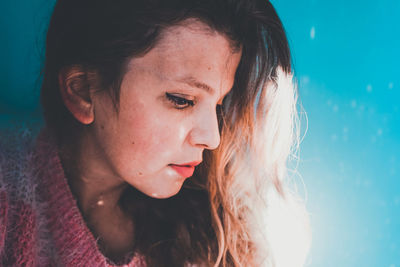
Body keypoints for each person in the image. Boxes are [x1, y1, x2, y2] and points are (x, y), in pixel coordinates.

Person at [0, 0, 311, 266]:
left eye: (218, 105)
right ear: (83, 91)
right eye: (181, 100)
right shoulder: (10, 206)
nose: (212, 137)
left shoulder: (218, 237)